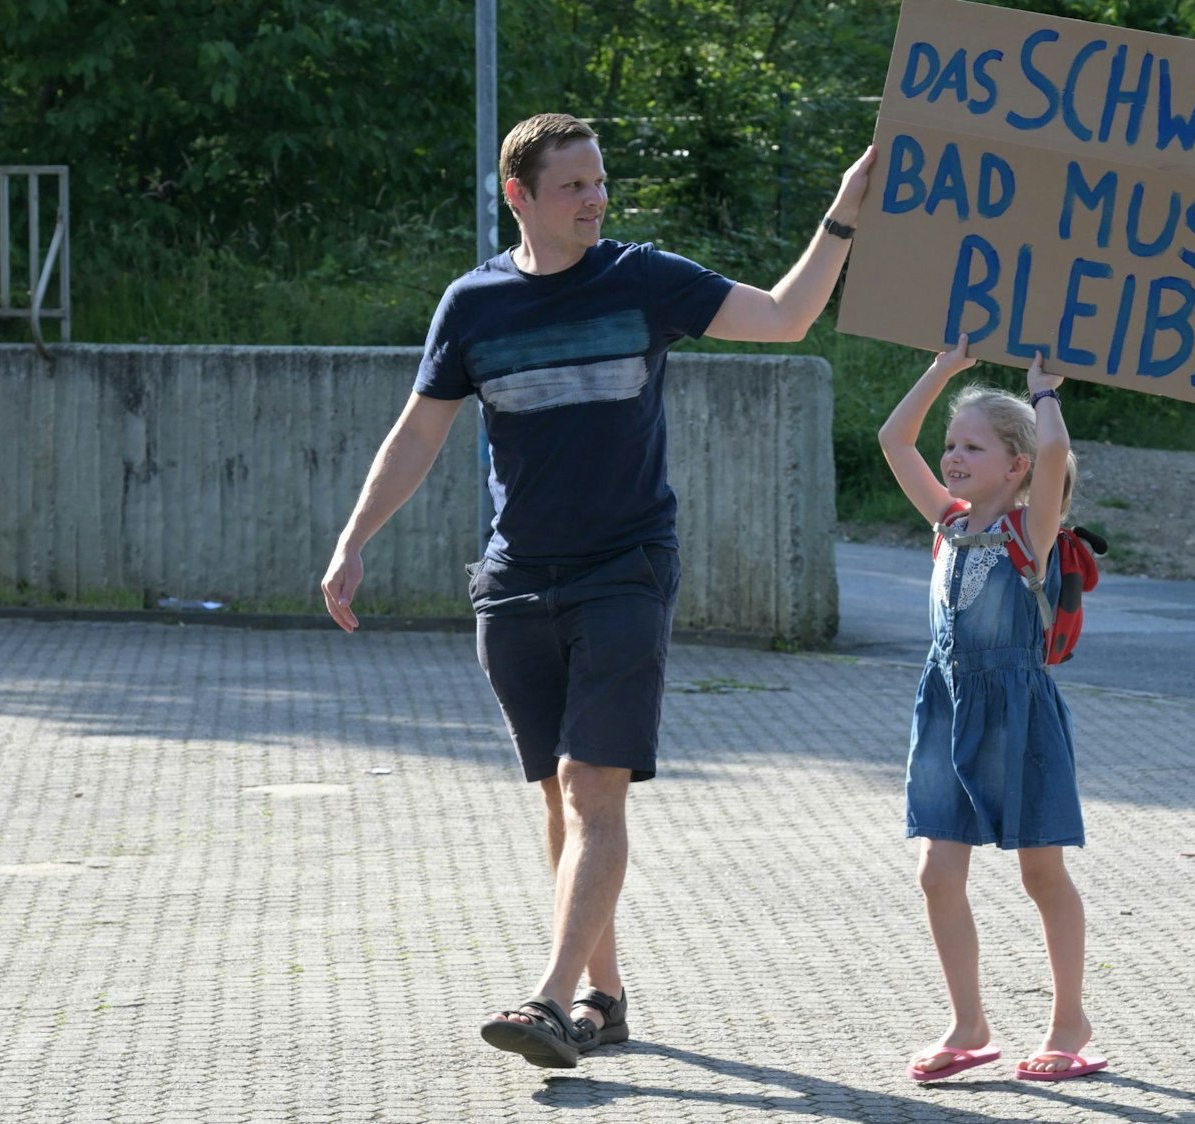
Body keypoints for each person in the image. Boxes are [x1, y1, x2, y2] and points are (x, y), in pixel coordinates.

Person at [319, 112, 874, 1068]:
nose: (594, 198)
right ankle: (602, 1001)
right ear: (518, 196)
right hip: (514, 580)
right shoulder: (474, 304)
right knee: (555, 799)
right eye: (572, 184)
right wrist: (353, 537)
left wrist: (840, 216)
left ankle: (545, 1000)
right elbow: (419, 433)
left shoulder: (642, 280)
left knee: (590, 789)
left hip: (625, 568)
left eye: (600, 181)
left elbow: (783, 316)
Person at [875, 337, 1106, 1083]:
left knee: (1041, 875)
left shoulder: (1028, 533)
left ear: (1016, 465)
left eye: (971, 447)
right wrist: (942, 371)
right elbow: (892, 439)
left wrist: (1044, 396)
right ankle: (968, 1025)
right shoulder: (947, 522)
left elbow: (1054, 454)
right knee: (936, 873)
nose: (951, 458)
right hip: (945, 712)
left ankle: (1070, 1025)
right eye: (951, 445)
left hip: (1018, 717)